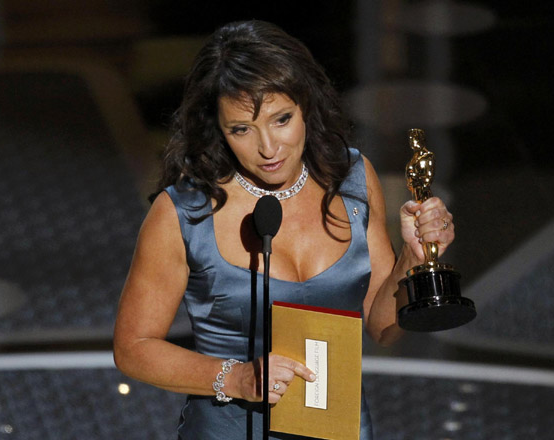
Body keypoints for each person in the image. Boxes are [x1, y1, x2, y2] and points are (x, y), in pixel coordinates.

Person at [113, 20, 455, 439]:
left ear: (306, 105)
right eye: (241, 129)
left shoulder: (351, 178)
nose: (268, 148)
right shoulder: (184, 213)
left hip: (339, 430)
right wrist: (236, 377)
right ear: (217, 128)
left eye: (281, 119)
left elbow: (384, 328)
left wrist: (411, 259)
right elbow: (134, 349)